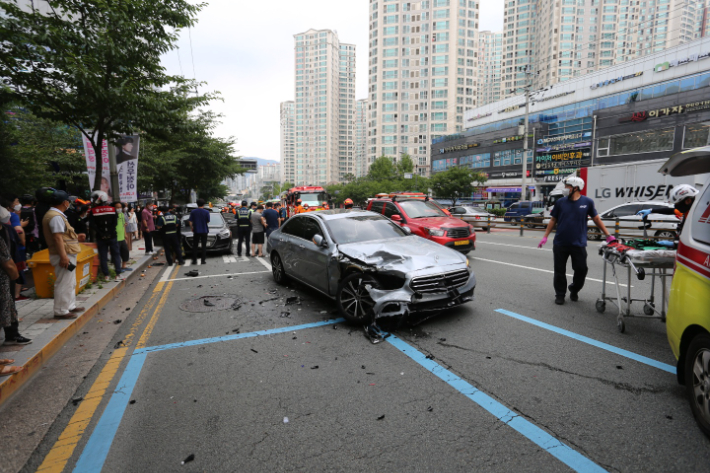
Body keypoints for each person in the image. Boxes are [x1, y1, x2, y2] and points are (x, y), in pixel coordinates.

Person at [538, 176, 614, 305]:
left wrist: (608, 235)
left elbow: (596, 219)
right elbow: (553, 220)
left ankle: (574, 289)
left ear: (575, 188)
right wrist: (545, 236)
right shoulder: (560, 202)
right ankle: (560, 294)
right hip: (560, 243)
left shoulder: (587, 202)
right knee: (559, 271)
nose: (565, 189)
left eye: (567, 186)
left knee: (581, 269)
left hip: (578, 244)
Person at [41, 190, 86, 319]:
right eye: (68, 201)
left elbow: (64, 237)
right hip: (64, 254)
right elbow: (57, 238)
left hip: (68, 252)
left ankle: (70, 305)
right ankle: (61, 310)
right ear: (64, 202)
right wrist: (63, 257)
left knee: (70, 282)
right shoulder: (55, 216)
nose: (69, 203)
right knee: (63, 282)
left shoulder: (57, 215)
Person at [1, 207, 32, 350]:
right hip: (5, 276)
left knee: (10, 306)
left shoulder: (7, 230)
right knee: (6, 307)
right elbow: (7, 262)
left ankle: (12, 335)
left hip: (7, 276)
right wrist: (14, 274)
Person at [89, 191, 123, 281]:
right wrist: (109, 234)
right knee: (116, 254)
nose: (94, 201)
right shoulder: (112, 209)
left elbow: (92, 225)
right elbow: (115, 223)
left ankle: (106, 275)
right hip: (112, 236)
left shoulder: (93, 211)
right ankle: (118, 274)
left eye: (95, 198)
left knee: (103, 256)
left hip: (101, 238)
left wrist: (102, 234)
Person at [188, 199, 210, 265]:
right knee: (204, 246)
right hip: (204, 230)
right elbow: (208, 221)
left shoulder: (193, 212)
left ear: (197, 204)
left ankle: (194, 261)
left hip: (196, 230)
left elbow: (190, 221)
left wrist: (192, 227)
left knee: (195, 246)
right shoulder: (206, 212)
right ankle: (203, 261)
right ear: (204, 204)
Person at [114, 202, 132, 273]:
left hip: (122, 237)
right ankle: (118, 268)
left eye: (120, 207)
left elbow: (123, 225)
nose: (119, 209)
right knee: (117, 254)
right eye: (117, 207)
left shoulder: (121, 214)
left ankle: (124, 266)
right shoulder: (113, 215)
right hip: (116, 238)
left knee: (125, 251)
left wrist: (125, 234)